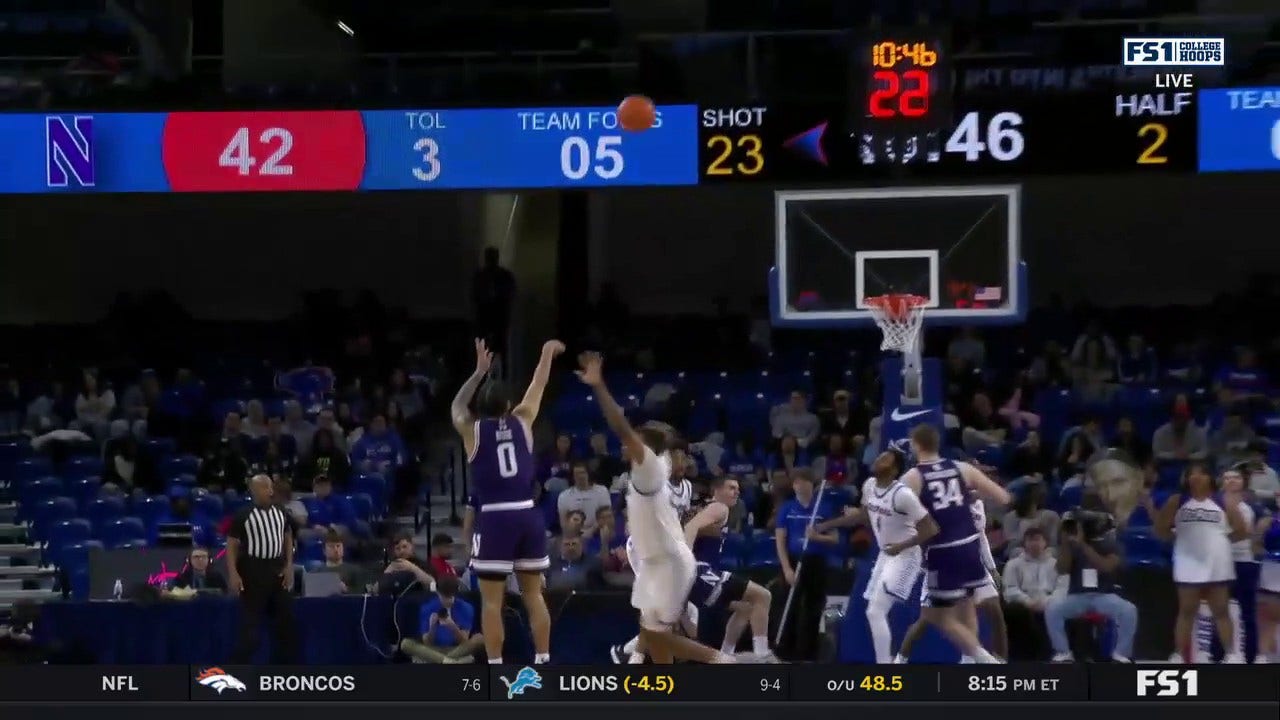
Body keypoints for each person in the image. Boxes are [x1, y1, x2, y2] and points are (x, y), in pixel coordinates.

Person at [575, 351, 734, 664]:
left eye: (633, 442)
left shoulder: (649, 467)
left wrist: (599, 386)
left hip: (664, 559)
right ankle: (635, 661)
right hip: (664, 554)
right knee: (656, 627)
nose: (624, 445)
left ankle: (730, 663)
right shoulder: (659, 462)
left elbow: (621, 427)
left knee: (665, 631)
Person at [451, 338, 563, 666]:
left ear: (480, 406)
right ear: (509, 404)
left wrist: (477, 373)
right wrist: (545, 353)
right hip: (527, 514)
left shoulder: (471, 430)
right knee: (533, 594)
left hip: (496, 518)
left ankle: (496, 668)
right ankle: (543, 660)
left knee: (491, 603)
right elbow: (539, 383)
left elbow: (456, 407)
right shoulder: (523, 418)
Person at [899, 424, 1009, 664]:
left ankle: (987, 662)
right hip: (970, 549)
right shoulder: (962, 468)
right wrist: (969, 495)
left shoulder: (913, 477)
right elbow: (1003, 497)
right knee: (966, 607)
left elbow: (895, 515)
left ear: (916, 446)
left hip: (942, 552)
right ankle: (969, 665)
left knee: (935, 616)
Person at [813, 450, 928, 663]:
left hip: (906, 555)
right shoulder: (869, 485)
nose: (878, 459)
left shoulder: (902, 495)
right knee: (874, 612)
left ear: (894, 470)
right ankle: (887, 661)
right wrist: (825, 525)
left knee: (879, 611)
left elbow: (929, 529)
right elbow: (862, 517)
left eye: (885, 459)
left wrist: (900, 546)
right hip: (886, 554)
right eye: (879, 456)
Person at [1144, 461, 1247, 663]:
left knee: (1221, 610)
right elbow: (1159, 528)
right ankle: (1179, 655)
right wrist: (1178, 540)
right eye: (1192, 473)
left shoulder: (1223, 501)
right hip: (1187, 561)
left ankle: (1231, 654)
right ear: (1186, 479)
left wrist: (1221, 542)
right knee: (1186, 611)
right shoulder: (1177, 500)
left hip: (1218, 562)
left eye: (1201, 473)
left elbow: (1242, 530)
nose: (1196, 477)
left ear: (1210, 478)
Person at [1044, 506, 1138, 663]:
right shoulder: (1072, 545)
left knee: (1129, 610)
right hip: (1077, 596)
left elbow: (1106, 567)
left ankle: (1121, 653)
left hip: (1104, 595)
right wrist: (1066, 543)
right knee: (1053, 609)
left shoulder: (1111, 545)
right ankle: (1063, 652)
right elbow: (1062, 569)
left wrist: (1083, 545)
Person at [226, 474, 299, 664]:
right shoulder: (243, 515)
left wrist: (289, 564)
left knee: (286, 626)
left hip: (277, 569)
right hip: (252, 571)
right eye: (265, 487)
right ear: (255, 491)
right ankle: (236, 672)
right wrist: (233, 573)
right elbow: (232, 544)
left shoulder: (281, 511)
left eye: (270, 487)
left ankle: (282, 675)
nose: (270, 491)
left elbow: (288, 535)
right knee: (250, 632)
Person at [774, 467, 840, 661]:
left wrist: (817, 536)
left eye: (804, 482)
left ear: (812, 485)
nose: (800, 485)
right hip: (793, 561)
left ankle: (808, 653)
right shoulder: (787, 508)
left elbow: (835, 538)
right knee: (789, 606)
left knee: (813, 607)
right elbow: (780, 540)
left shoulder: (824, 508)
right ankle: (785, 651)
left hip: (816, 563)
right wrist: (786, 568)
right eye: (796, 482)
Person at [1215, 470, 1260, 662]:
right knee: (1219, 611)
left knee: (1247, 613)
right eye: (1227, 477)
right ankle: (1216, 654)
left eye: (1236, 477)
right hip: (1221, 563)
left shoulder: (1247, 508)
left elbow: (1242, 533)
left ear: (1243, 483)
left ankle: (1251, 656)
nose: (1231, 480)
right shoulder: (1213, 506)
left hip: (1244, 564)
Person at [1000, 527, 1058, 660]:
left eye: (1038, 540)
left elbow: (1061, 589)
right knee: (1015, 611)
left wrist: (1045, 602)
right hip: (1023, 606)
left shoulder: (1056, 564)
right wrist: (1028, 602)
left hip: (1049, 603)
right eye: (1030, 540)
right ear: (1024, 543)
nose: (1034, 544)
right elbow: (1010, 589)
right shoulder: (1013, 564)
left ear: (1045, 543)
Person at [400, 576, 485, 664]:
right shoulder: (427, 608)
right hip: (433, 650)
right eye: (444, 596)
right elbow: (427, 643)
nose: (447, 600)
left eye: (450, 596)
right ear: (437, 592)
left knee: (479, 638)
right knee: (406, 643)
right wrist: (432, 627)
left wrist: (453, 627)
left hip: (457, 649)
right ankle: (450, 661)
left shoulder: (466, 607)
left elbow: (464, 641)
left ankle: (443, 660)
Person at [1257, 510, 1280, 663]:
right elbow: (1255, 548)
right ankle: (1265, 658)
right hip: (1271, 573)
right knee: (1269, 620)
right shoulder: (1267, 522)